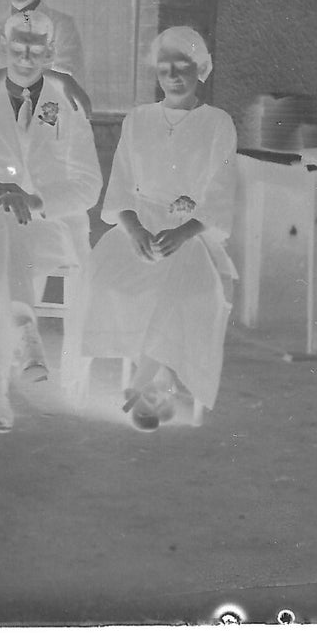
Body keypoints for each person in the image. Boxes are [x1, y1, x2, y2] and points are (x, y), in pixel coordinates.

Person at [76, 27, 237, 431]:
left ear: (201, 69)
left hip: (191, 232)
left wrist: (182, 233)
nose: (173, 75)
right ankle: (159, 381)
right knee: (109, 279)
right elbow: (120, 191)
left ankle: (149, 384)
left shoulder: (217, 123)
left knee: (183, 283)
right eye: (164, 67)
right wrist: (135, 232)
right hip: (138, 227)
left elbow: (219, 194)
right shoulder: (138, 119)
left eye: (182, 65)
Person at [0, 10, 102, 432]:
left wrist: (34, 201)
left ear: (50, 53)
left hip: (52, 229)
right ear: (5, 45)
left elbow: (89, 185)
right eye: (17, 45)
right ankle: (22, 335)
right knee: (3, 226)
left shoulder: (67, 102)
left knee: (5, 240)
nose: (25, 55)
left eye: (36, 48)